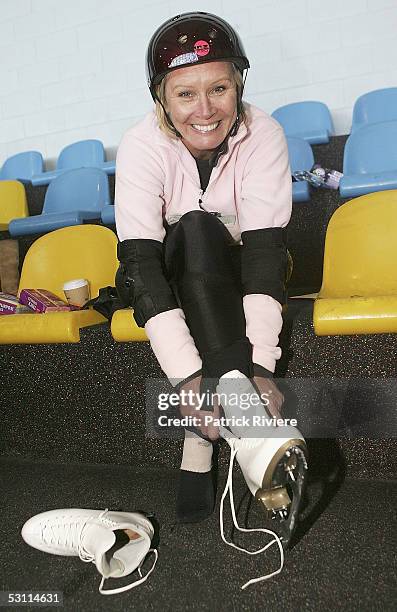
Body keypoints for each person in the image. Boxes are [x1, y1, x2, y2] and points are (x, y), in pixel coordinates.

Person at [115, 12, 307, 540]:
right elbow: (141, 266)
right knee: (193, 230)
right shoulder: (139, 145)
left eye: (219, 88)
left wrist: (262, 365)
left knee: (210, 238)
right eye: (185, 95)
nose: (204, 111)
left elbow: (266, 254)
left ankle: (201, 444)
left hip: (243, 269)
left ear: (239, 84)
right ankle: (248, 429)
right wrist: (185, 378)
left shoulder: (264, 133)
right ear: (162, 98)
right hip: (175, 273)